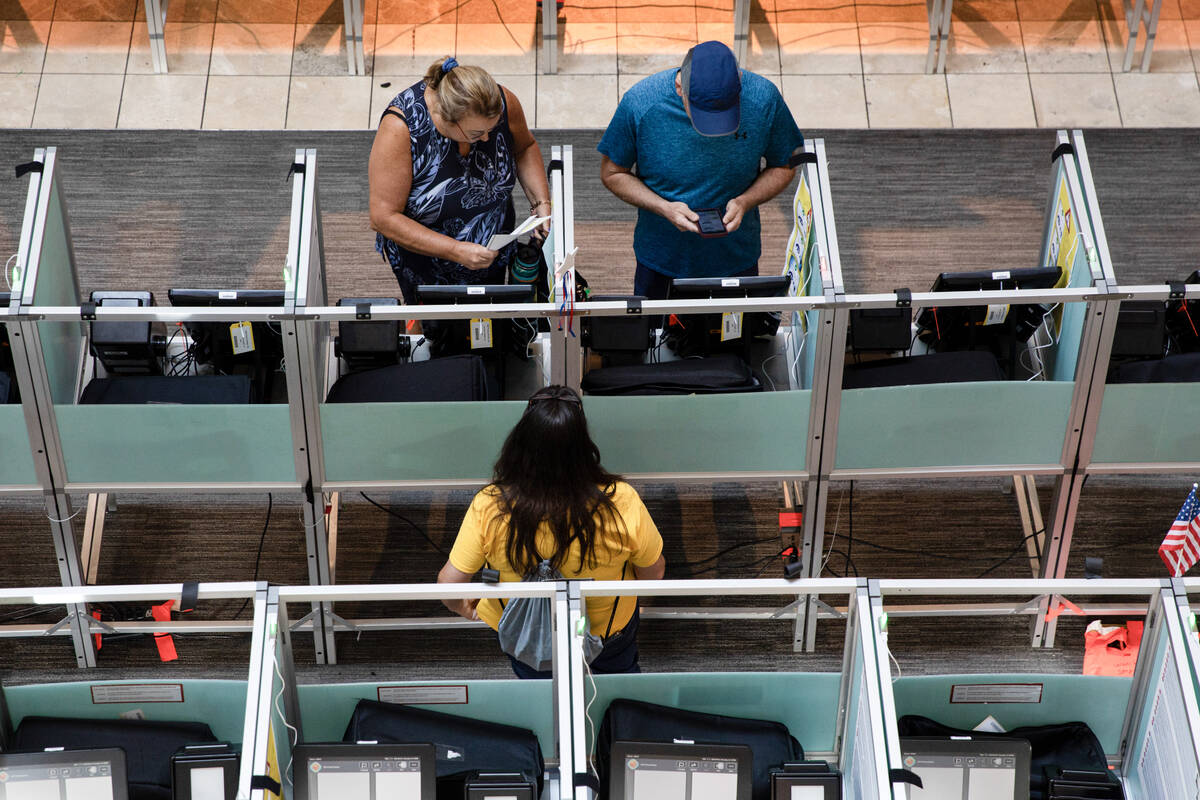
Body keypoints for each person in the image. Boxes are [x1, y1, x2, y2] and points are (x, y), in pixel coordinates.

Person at [437, 385, 666, 678]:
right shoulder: (621, 500)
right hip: (605, 632)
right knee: (617, 696)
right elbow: (653, 573)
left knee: (541, 699)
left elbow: (449, 584)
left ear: (520, 443)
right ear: (583, 446)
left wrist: (467, 610)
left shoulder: (490, 504)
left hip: (528, 638)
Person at [598, 41, 804, 300]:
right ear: (679, 87)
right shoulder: (641, 103)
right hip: (662, 258)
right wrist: (665, 208)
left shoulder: (764, 100)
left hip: (736, 257)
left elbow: (783, 165)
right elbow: (612, 172)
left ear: (739, 81)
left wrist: (745, 201)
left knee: (735, 339)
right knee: (655, 337)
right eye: (703, 114)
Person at [369, 57, 552, 304]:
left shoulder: (500, 102)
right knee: (438, 330)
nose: (488, 138)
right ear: (446, 118)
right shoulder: (400, 129)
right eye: (477, 133)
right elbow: (384, 217)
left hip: (492, 247)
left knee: (487, 319)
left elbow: (524, 147)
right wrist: (456, 251)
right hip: (428, 265)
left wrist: (540, 202)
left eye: (493, 128)